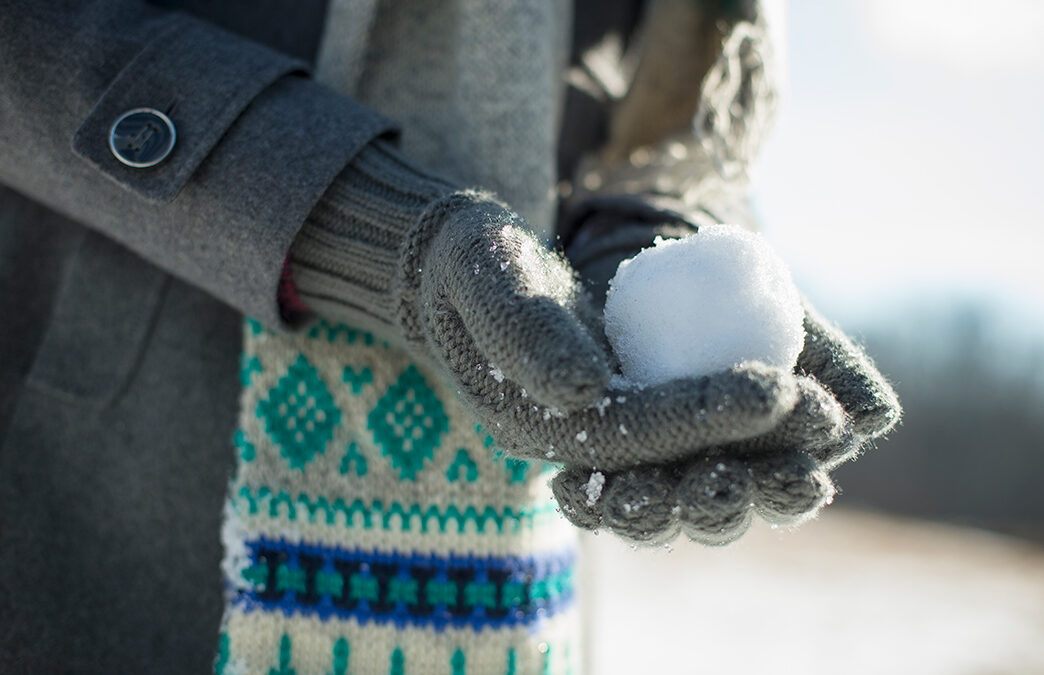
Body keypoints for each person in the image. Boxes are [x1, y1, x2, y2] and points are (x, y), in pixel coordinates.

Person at [0, 1, 899, 672]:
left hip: (510, 531)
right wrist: (370, 229)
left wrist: (642, 228)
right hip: (115, 466)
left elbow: (657, 86)